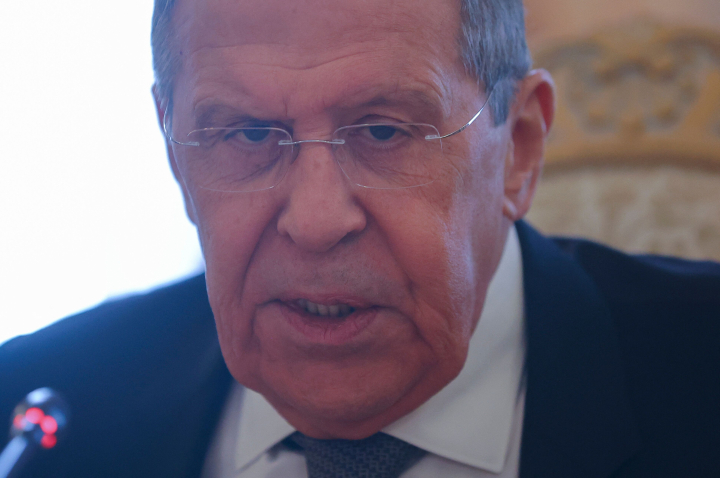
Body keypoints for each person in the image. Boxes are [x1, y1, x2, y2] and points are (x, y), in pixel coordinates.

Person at [1, 0, 718, 477]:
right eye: (248, 134)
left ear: (520, 147)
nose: (316, 223)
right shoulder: (35, 413)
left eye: (382, 131)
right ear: (174, 155)